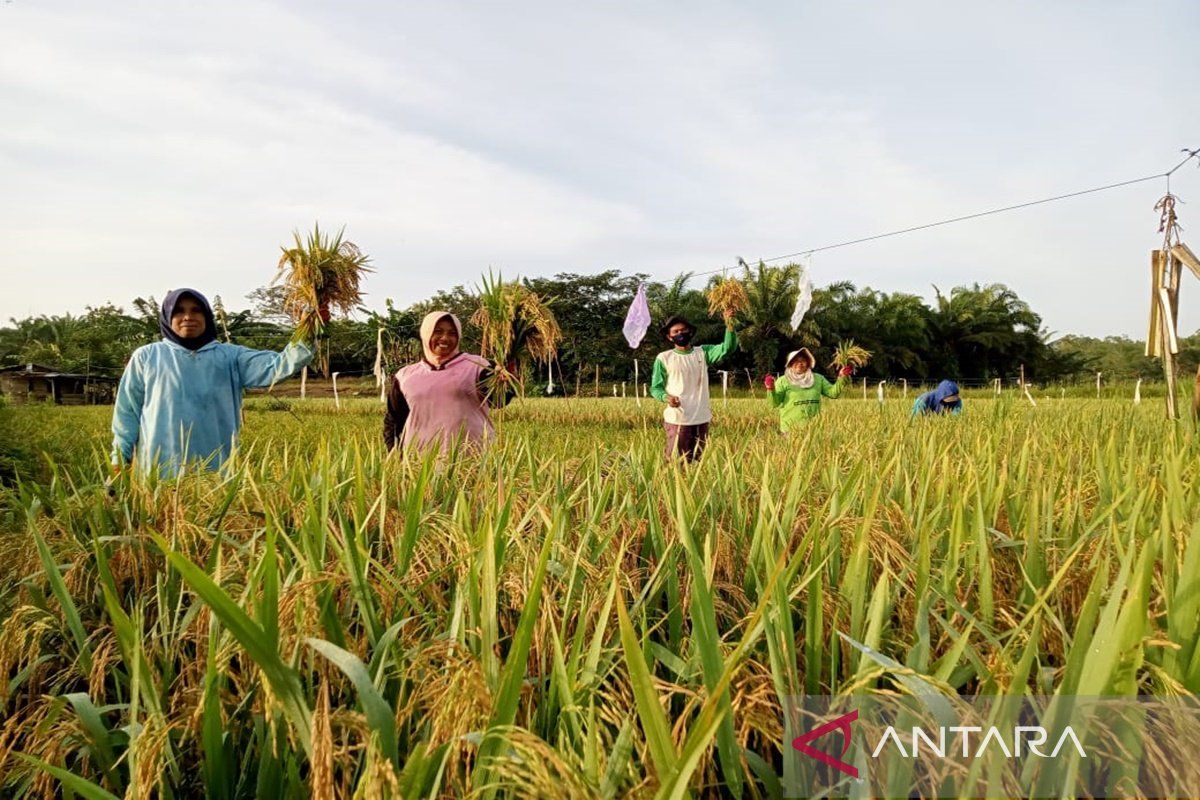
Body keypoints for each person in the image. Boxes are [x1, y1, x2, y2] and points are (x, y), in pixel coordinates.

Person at [111, 288, 313, 477]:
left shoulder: (230, 357)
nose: (188, 317)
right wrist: (120, 458)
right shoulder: (147, 356)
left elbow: (278, 366)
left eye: (196, 310)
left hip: (217, 475)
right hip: (157, 474)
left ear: (207, 316)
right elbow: (127, 412)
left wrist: (309, 330)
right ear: (167, 317)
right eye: (179, 311)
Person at [384, 310, 515, 456]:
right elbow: (394, 419)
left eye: (452, 333)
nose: (445, 338)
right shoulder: (405, 376)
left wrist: (506, 380)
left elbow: (499, 400)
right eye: (437, 331)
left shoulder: (478, 366)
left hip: (472, 460)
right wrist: (394, 453)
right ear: (425, 334)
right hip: (419, 463)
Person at [649, 310, 737, 462]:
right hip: (678, 418)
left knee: (697, 460)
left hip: (701, 417)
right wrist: (666, 397)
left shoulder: (703, 353)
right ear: (670, 337)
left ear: (690, 332)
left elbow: (727, 348)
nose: (680, 333)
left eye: (683, 330)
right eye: (675, 331)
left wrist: (729, 323)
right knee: (676, 460)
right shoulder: (664, 358)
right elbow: (655, 388)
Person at [764, 348, 852, 432]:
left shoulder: (818, 379)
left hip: (813, 429)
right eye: (795, 361)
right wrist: (770, 388)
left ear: (808, 363)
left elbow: (833, 393)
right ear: (790, 364)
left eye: (803, 360)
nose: (800, 363)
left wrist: (842, 377)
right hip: (790, 429)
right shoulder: (783, 381)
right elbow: (774, 403)